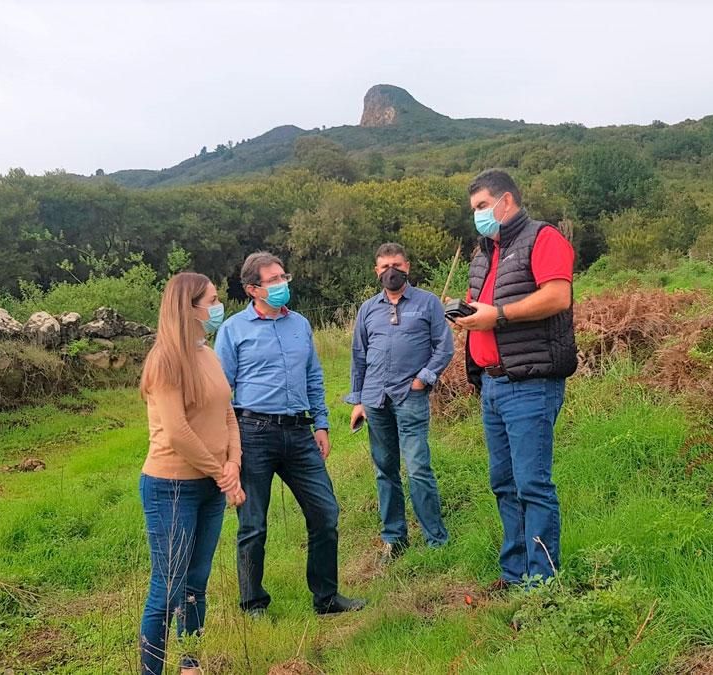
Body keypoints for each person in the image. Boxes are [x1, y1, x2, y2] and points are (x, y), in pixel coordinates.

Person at [215, 251, 367, 616]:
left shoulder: (299, 324)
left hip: (299, 432)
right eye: (274, 280)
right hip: (253, 432)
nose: (283, 284)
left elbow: (314, 376)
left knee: (325, 513)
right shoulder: (234, 330)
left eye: (285, 277)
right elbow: (220, 393)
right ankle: (253, 603)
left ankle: (327, 598)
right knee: (253, 523)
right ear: (253, 289)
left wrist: (322, 423)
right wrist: (228, 450)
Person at [454, 169, 576, 586]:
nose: (478, 216)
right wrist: (466, 314)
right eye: (474, 210)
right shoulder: (485, 252)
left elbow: (558, 295)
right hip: (492, 383)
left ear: (507, 201)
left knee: (531, 484)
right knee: (504, 483)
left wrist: (499, 315)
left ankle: (542, 586)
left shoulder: (543, 239)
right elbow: (483, 307)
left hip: (530, 382)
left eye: (483, 206)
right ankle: (515, 573)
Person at [137, 272, 245, 675]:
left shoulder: (207, 352)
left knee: (196, 584)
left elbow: (226, 411)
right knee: (167, 590)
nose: (219, 307)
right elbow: (179, 432)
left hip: (209, 487)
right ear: (189, 307)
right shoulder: (165, 360)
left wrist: (233, 463)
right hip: (171, 488)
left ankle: (190, 665)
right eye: (213, 300)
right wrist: (223, 474)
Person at [347, 242, 454, 563]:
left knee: (418, 467)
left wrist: (424, 378)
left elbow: (443, 347)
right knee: (385, 470)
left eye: (397, 265)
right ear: (376, 271)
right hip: (375, 399)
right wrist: (358, 400)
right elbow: (358, 356)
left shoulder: (428, 303)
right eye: (384, 267)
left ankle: (436, 538)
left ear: (407, 266)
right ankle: (395, 538)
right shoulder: (368, 309)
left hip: (411, 397)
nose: (391, 271)